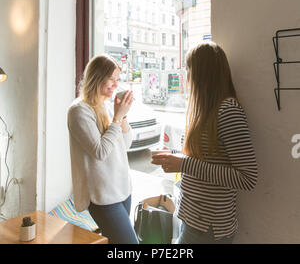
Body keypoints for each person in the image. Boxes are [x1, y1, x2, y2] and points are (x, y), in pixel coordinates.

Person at [151, 42, 258, 244]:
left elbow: (247, 178)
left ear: (202, 74)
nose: (186, 76)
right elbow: (206, 157)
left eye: (189, 69)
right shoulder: (205, 110)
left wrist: (183, 164)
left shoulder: (228, 111)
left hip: (209, 228)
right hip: (194, 220)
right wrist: (174, 155)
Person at [67, 54, 139, 244]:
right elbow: (100, 152)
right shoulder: (79, 111)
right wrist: (117, 118)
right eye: (111, 79)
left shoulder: (107, 106)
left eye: (117, 80)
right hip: (102, 197)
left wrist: (122, 117)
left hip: (122, 188)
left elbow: (127, 143)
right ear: (97, 77)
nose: (115, 85)